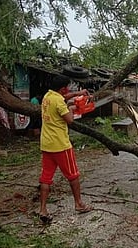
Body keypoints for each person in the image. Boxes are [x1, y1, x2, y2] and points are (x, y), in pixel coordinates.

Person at [38, 75, 93, 223]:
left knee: (46, 178)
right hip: (61, 145)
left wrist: (78, 94)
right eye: (67, 88)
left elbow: (64, 98)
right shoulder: (60, 102)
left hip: (46, 144)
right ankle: (79, 204)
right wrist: (75, 108)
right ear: (63, 88)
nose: (68, 90)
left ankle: (43, 209)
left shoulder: (48, 96)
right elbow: (69, 119)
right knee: (73, 175)